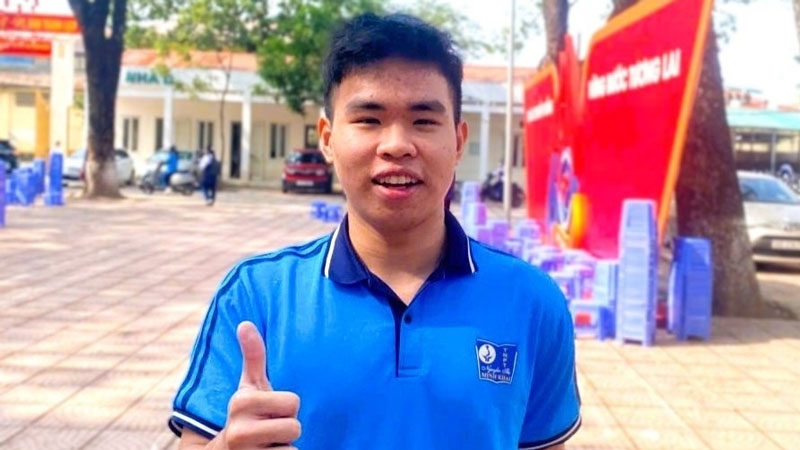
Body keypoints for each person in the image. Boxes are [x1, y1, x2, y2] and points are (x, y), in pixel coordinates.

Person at [168, 12, 581, 450]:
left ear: (459, 141)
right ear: (327, 138)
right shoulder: (258, 295)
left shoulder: (532, 300)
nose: (397, 145)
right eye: (369, 119)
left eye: (424, 121)